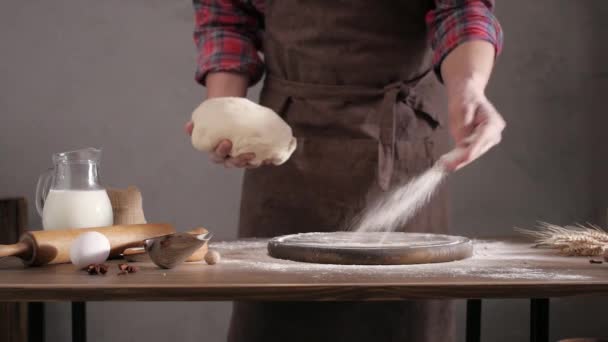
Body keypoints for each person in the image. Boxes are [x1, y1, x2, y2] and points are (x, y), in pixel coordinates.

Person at [186, 1, 505, 341]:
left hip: (401, 136)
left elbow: (459, 9)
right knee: (282, 315)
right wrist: (224, 114)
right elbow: (226, 19)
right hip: (289, 143)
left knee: (400, 317)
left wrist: (468, 87)